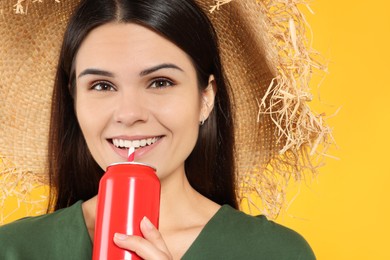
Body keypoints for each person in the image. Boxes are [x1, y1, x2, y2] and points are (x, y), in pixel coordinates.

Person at [0, 0, 330, 259]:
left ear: (205, 98)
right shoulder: (12, 249)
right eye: (101, 86)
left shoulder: (276, 254)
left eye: (160, 82)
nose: (129, 114)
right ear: (74, 100)